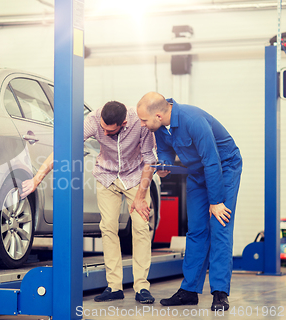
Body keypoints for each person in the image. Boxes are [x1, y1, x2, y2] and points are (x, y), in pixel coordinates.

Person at [21, 101, 157, 303]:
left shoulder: (140, 123)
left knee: (140, 227)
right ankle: (114, 286)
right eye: (102, 128)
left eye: (109, 131)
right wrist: (36, 179)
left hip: (135, 177)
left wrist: (139, 198)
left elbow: (149, 160)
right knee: (108, 227)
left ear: (124, 123)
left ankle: (141, 287)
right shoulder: (93, 120)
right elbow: (64, 148)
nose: (104, 133)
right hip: (106, 176)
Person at [136, 92, 242, 312]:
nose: (142, 125)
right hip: (197, 172)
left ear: (157, 114)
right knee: (196, 230)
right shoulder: (161, 127)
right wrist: (164, 166)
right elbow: (165, 151)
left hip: (224, 167)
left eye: (144, 120)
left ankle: (220, 293)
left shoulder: (192, 120)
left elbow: (213, 161)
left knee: (219, 226)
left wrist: (216, 201)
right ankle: (189, 291)